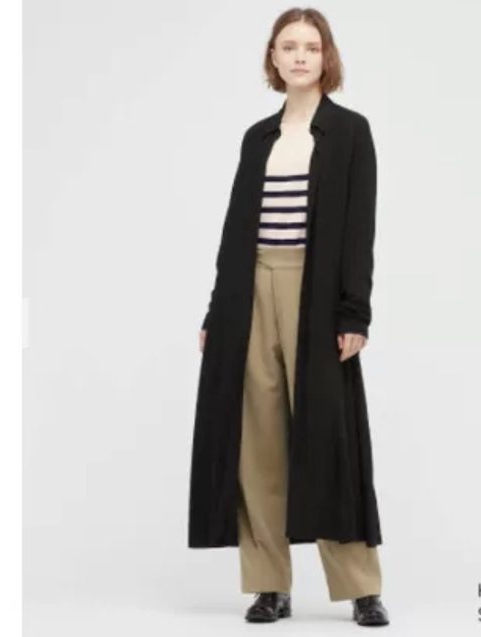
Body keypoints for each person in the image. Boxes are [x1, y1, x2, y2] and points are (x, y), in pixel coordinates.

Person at [188, 7, 389, 627]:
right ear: (272, 59)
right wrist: (217, 310)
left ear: (327, 57)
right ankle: (269, 585)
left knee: (329, 440)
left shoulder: (350, 132)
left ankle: (360, 587)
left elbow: (358, 229)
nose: (300, 56)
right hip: (250, 290)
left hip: (317, 292)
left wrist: (354, 312)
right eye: (288, 46)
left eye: (311, 46)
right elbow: (234, 231)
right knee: (257, 445)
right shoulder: (258, 137)